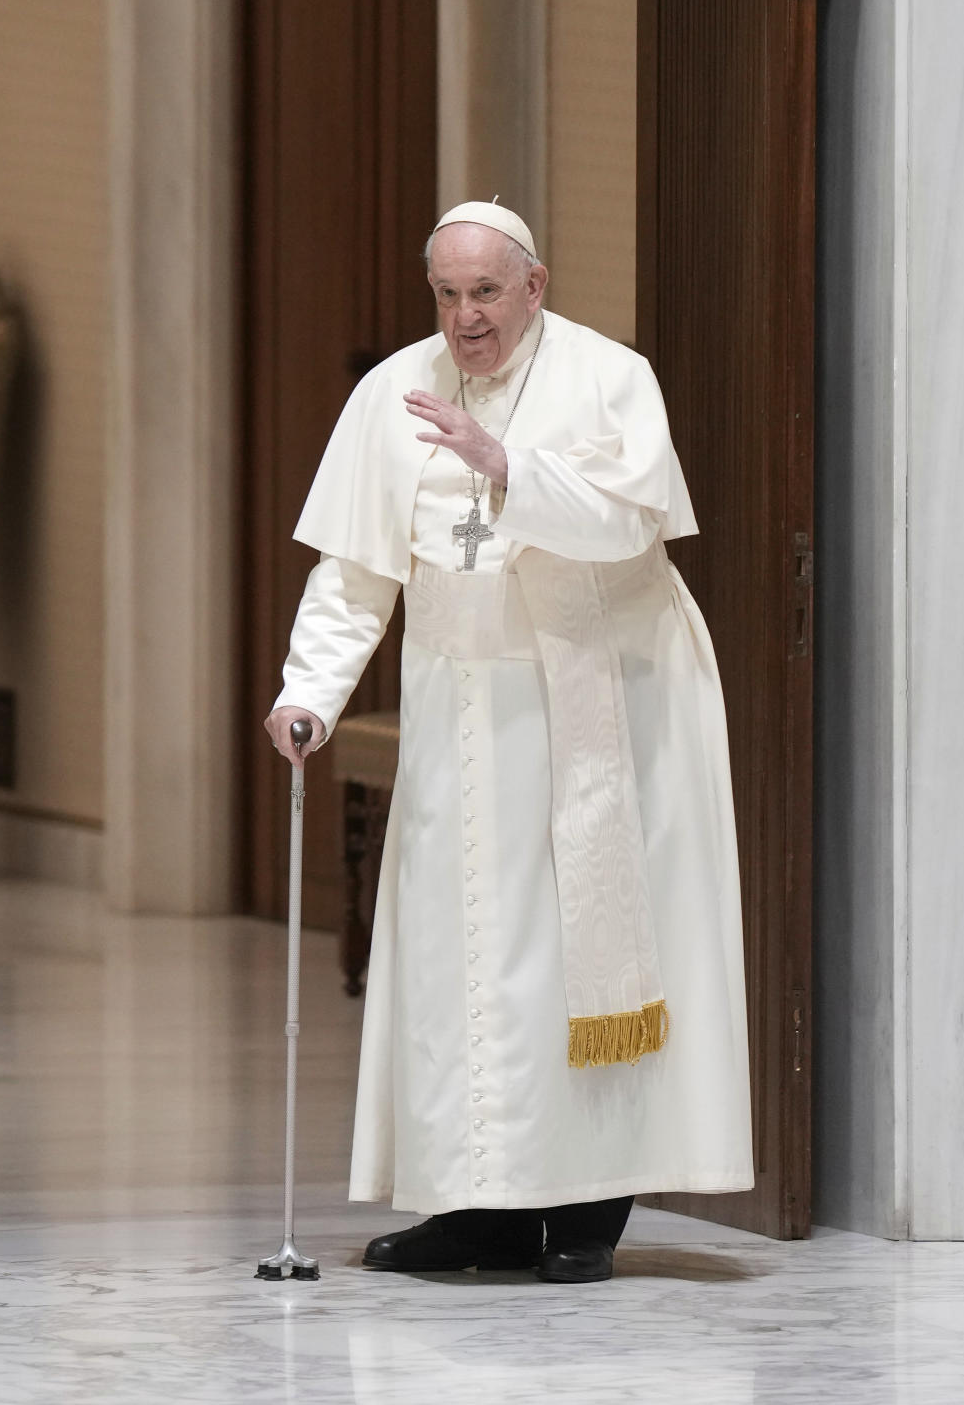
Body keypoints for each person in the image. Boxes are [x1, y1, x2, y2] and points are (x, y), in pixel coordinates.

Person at [265, 201, 752, 1282]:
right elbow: (354, 574)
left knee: (573, 964)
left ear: (535, 284)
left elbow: (632, 525)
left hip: (598, 707)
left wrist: (503, 464)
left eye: (485, 291)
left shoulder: (609, 377)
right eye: (446, 293)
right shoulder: (393, 393)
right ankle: (473, 1208)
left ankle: (582, 1211)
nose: (465, 316)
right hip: (457, 707)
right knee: (457, 960)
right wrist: (310, 693)